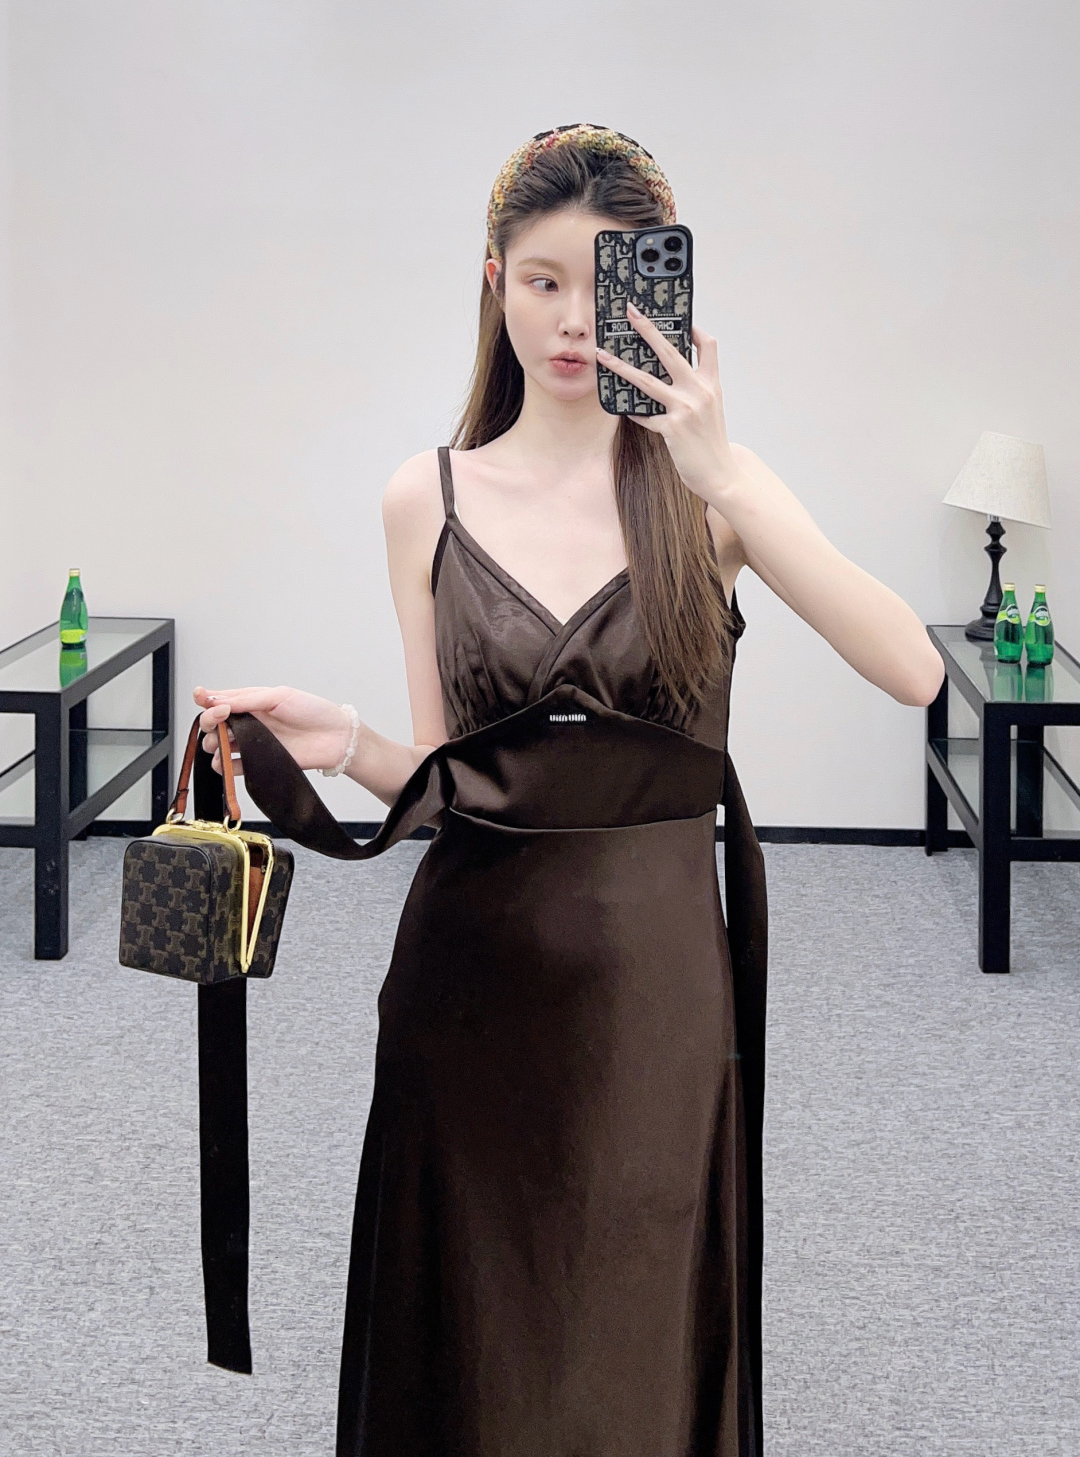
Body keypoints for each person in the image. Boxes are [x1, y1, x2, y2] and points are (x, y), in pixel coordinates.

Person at [194, 124, 944, 1457]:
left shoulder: (710, 498)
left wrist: (728, 472)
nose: (574, 319)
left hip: (655, 991)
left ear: (665, 295)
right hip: (467, 977)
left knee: (632, 1340)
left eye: (608, 286)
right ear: (494, 284)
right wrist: (345, 740)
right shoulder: (425, 497)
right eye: (543, 281)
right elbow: (452, 782)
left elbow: (912, 670)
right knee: (470, 1341)